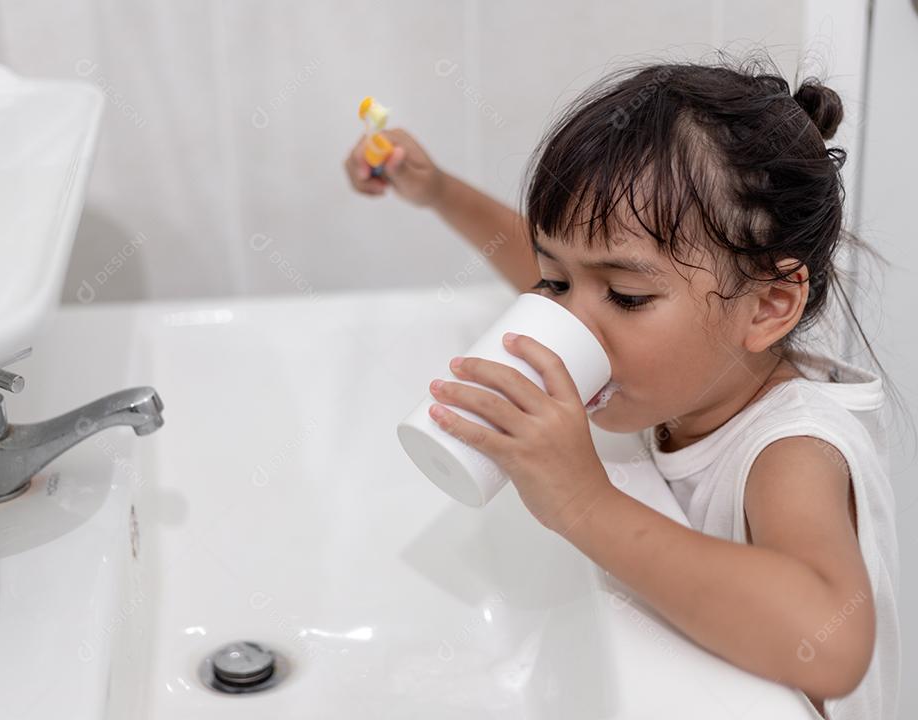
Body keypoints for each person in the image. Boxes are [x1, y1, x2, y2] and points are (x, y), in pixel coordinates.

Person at [345, 59, 902, 720]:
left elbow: (832, 646)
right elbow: (535, 260)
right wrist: (437, 191)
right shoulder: (678, 373)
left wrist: (583, 503)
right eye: (555, 285)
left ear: (767, 307)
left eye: (628, 296)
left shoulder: (792, 448)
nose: (571, 320)